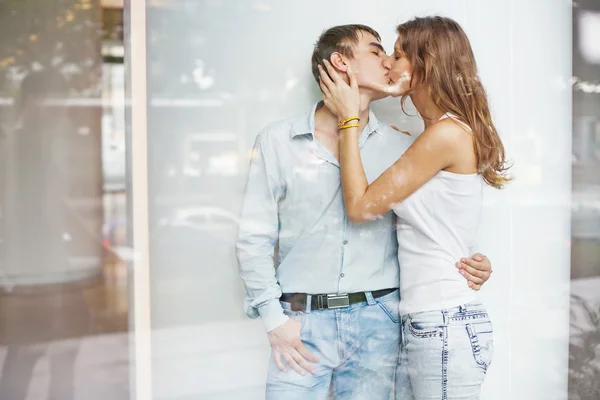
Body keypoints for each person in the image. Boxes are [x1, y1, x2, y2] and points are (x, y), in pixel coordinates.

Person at [236, 24, 493, 400]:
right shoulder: (277, 141)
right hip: (301, 324)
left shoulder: (406, 146)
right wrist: (273, 320)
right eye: (377, 51)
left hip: (382, 323)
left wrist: (470, 261)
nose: (388, 61)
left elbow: (441, 217)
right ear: (341, 62)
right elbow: (253, 237)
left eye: (395, 53)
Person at [318, 16, 511, 400]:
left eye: (398, 55)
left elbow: (360, 207)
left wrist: (348, 120)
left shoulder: (445, 135)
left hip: (443, 321)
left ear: (427, 64)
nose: (388, 63)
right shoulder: (435, 134)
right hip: (431, 320)